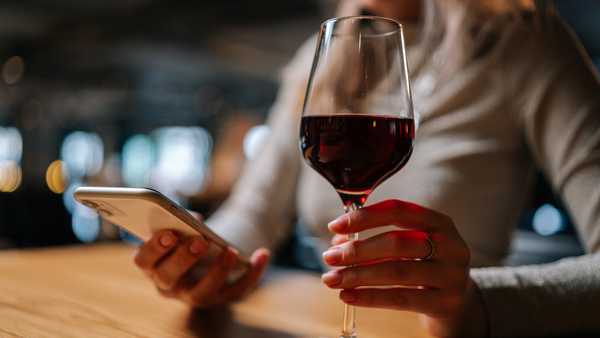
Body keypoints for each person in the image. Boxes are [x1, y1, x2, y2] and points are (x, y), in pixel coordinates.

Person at [133, 0, 600, 337]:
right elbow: (254, 213)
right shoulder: (320, 55)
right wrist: (204, 261)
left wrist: (476, 301)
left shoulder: (526, 37)